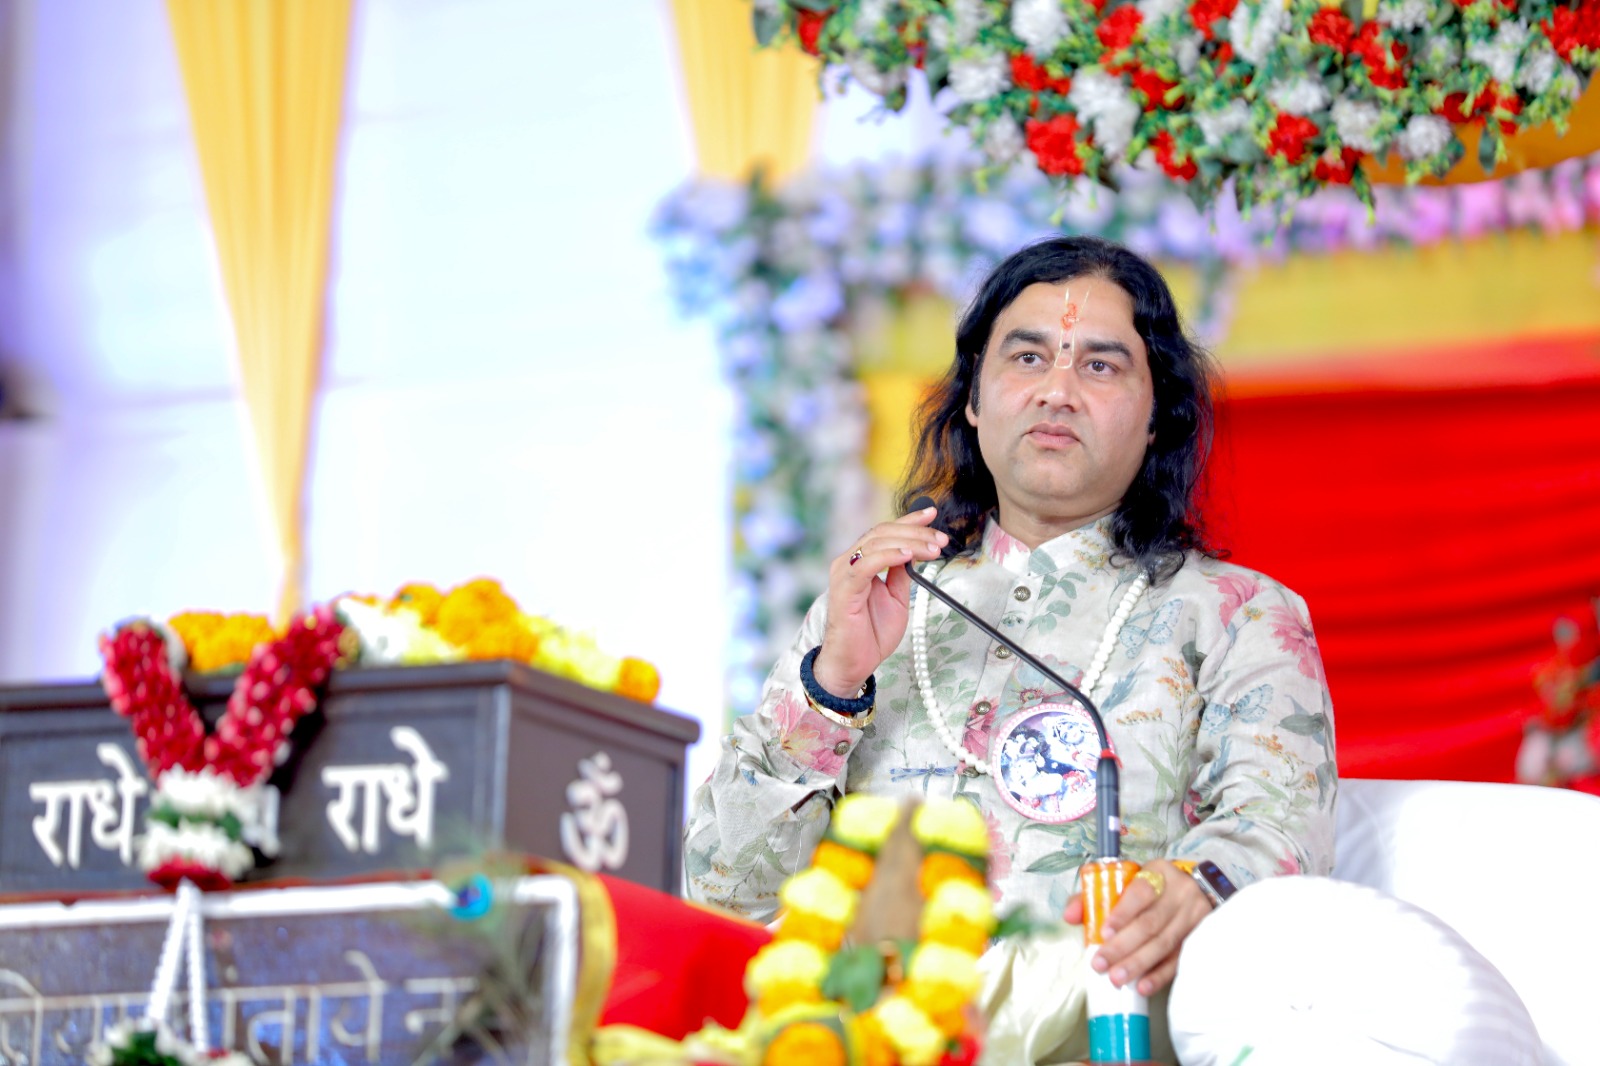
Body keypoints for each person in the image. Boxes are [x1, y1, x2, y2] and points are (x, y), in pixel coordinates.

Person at [684, 236, 1336, 1063]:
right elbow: (720, 895)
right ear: (973, 400)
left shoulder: (1238, 616)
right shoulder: (874, 600)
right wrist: (834, 686)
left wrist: (1194, 887)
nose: (1057, 390)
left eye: (1100, 365)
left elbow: (1277, 837)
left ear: (1156, 416)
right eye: (1028, 357)